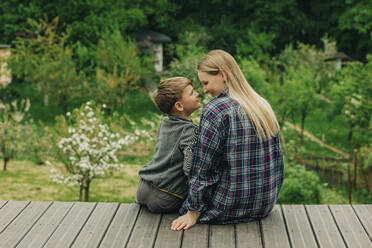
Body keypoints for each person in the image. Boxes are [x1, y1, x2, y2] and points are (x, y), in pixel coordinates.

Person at [171, 50, 284, 230]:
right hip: (263, 205)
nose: (205, 90)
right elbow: (278, 163)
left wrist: (193, 211)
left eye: (206, 82)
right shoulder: (262, 105)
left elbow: (204, 168)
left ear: (223, 74)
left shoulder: (216, 110)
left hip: (226, 208)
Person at [136, 77, 201, 213]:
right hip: (166, 196)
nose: (197, 94)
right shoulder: (189, 131)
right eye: (192, 93)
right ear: (179, 106)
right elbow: (189, 168)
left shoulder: (165, 122)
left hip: (143, 187)